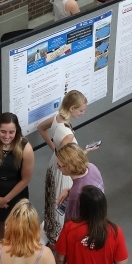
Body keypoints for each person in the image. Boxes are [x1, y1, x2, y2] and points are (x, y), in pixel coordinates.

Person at [37, 91, 89, 244]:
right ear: (72, 108)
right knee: (60, 204)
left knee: (52, 199)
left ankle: (48, 230)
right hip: (63, 172)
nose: (83, 113)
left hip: (54, 164)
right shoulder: (68, 135)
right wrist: (84, 152)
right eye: (81, 110)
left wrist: (54, 148)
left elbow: (41, 127)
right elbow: (68, 160)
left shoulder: (57, 119)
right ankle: (56, 237)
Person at [0, 113, 35, 241]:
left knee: (17, 227)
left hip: (16, 193)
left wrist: (5, 200)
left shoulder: (25, 148)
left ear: (17, 131)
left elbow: (25, 179)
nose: (7, 136)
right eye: (3, 131)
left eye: (11, 132)